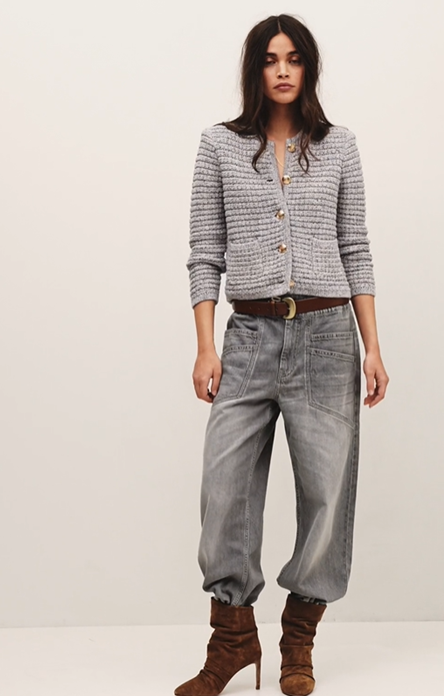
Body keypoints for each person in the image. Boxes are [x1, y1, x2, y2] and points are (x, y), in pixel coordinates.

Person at [175, 13, 389, 696]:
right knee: (223, 488)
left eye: (294, 58)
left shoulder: (339, 146)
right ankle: (233, 638)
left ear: (309, 67)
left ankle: (298, 638)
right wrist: (205, 345)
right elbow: (204, 250)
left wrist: (373, 347)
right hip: (247, 340)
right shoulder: (218, 145)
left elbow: (354, 246)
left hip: (327, 339)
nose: (283, 70)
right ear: (254, 70)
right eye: (270, 59)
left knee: (327, 492)